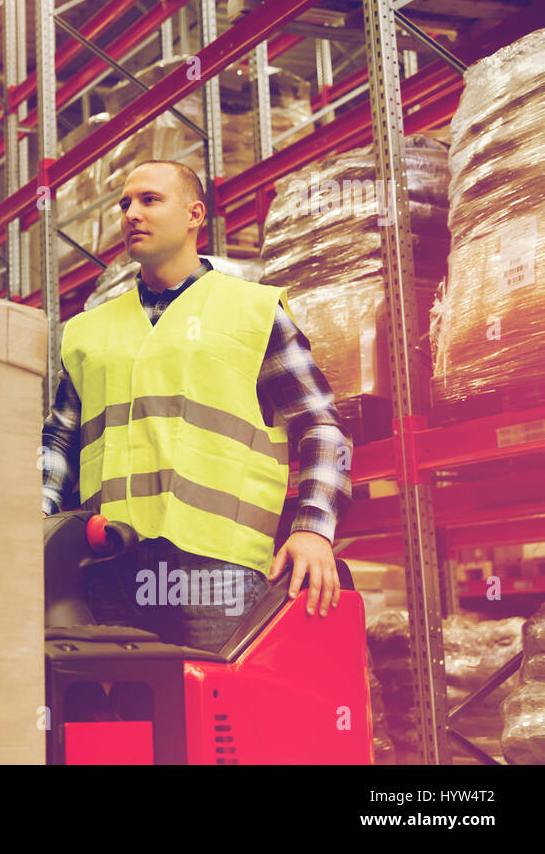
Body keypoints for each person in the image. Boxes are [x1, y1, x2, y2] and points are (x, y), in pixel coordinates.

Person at [40, 159, 353, 654]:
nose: (131, 214)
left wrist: (315, 530)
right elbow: (59, 438)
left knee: (222, 717)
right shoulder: (87, 331)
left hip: (218, 568)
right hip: (107, 564)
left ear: (194, 215)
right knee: (128, 718)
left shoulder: (251, 311)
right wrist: (40, 517)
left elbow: (320, 427)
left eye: (149, 200)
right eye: (124, 204)